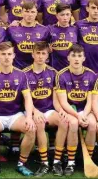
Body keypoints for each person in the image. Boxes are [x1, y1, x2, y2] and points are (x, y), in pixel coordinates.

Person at [0, 42, 37, 178]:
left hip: (15, 115)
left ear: (14, 55)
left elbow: (27, 98)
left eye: (9, 54)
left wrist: (28, 117)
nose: (6, 57)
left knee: (31, 128)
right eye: (3, 54)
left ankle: (21, 164)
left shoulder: (21, 75)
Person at [22, 42, 72, 176]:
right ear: (32, 54)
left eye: (43, 53)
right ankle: (44, 162)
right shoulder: (24, 74)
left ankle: (56, 161)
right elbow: (26, 99)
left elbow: (55, 100)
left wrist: (61, 111)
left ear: (47, 56)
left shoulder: (53, 73)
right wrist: (35, 112)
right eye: (37, 53)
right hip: (32, 110)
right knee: (39, 122)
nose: (40, 56)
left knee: (64, 121)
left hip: (49, 109)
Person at [55, 44, 98, 174]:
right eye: (73, 56)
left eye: (79, 56)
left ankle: (88, 158)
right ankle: (71, 162)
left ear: (84, 58)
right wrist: (77, 116)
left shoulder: (91, 75)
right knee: (73, 124)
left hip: (85, 109)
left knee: (92, 124)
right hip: (70, 110)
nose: (76, 59)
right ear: (68, 57)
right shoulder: (61, 75)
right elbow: (63, 102)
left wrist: (84, 115)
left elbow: (90, 100)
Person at [7, 0, 50, 69]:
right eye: (27, 11)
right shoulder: (11, 29)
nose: (30, 14)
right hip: (17, 69)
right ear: (21, 13)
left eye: (32, 12)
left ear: (36, 13)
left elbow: (47, 51)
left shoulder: (44, 30)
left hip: (36, 70)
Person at [75, 0, 98, 73]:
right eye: (93, 8)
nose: (96, 11)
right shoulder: (78, 24)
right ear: (87, 8)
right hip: (82, 66)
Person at [48, 3, 78, 71]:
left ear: (71, 15)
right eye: (62, 15)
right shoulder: (49, 29)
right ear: (57, 16)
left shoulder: (76, 29)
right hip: (54, 70)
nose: (65, 17)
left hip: (71, 70)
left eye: (67, 14)